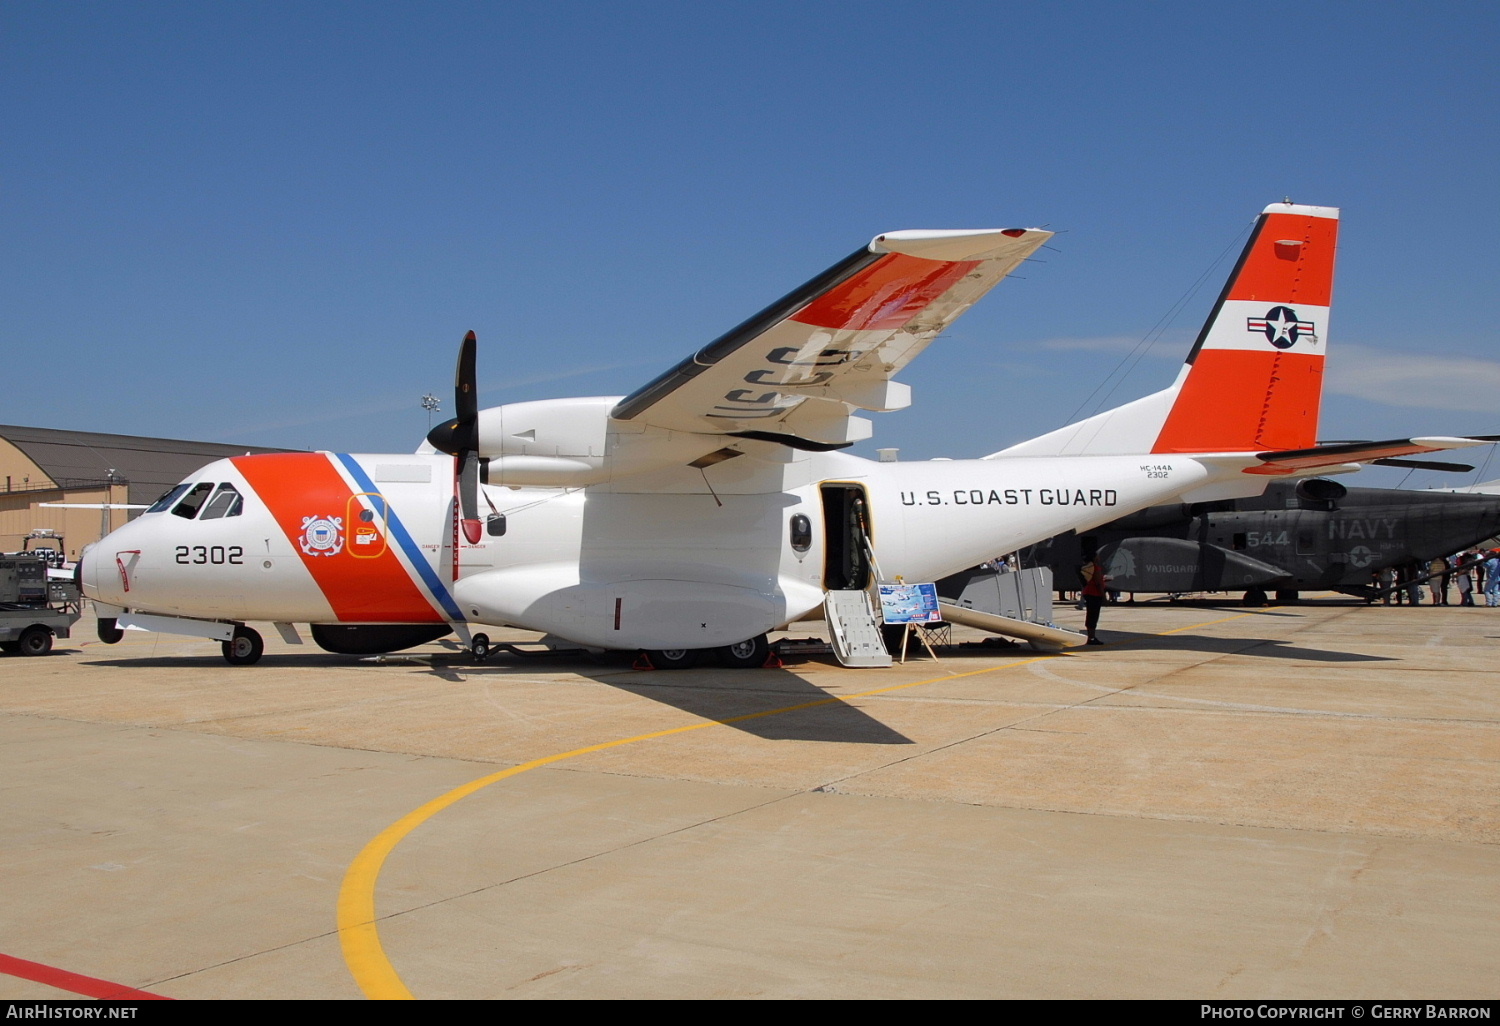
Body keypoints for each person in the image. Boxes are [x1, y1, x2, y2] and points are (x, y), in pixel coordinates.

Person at [1078, 552, 1109, 645]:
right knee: (1093, 616)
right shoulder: (1096, 568)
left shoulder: (1089, 567)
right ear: (1095, 558)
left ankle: (1090, 637)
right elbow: (1098, 583)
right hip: (1094, 594)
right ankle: (1091, 637)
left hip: (1088, 592)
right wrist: (1104, 597)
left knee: (1090, 615)